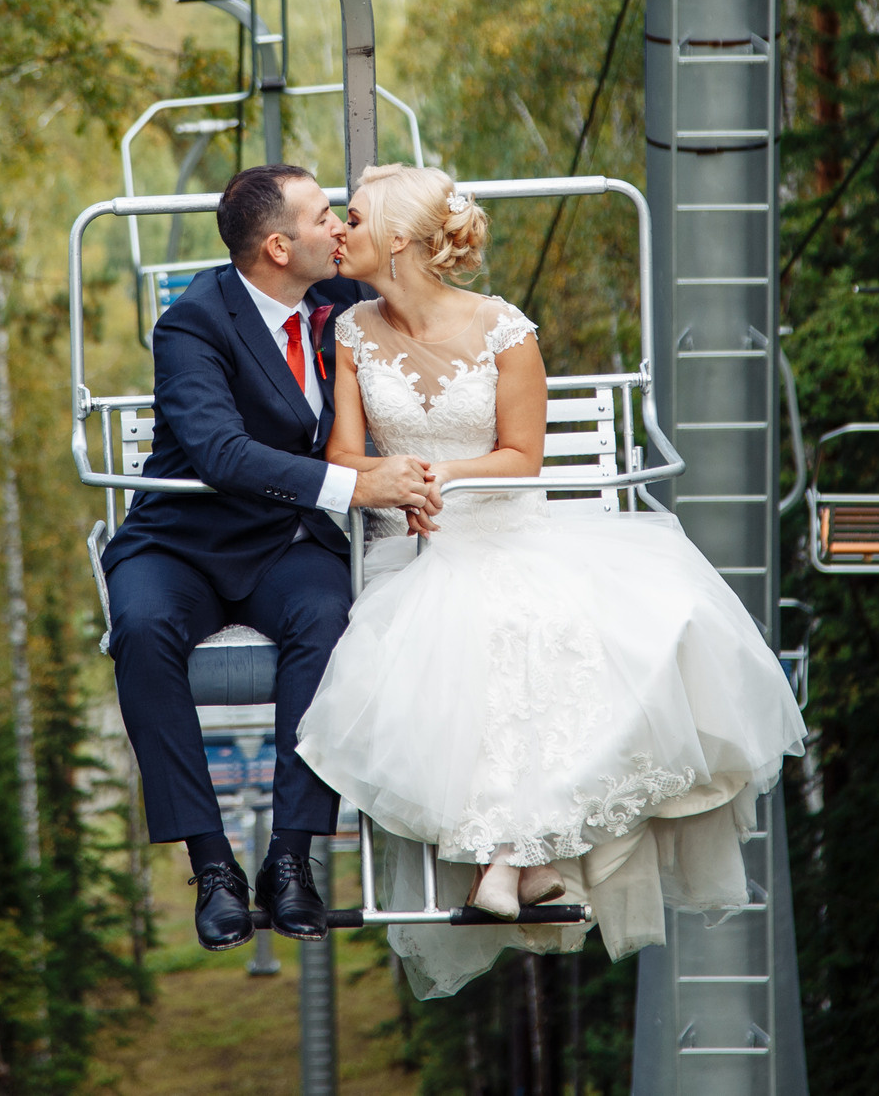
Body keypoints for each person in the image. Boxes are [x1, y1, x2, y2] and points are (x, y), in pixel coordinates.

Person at [294, 162, 807, 997]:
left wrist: (441, 477)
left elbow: (519, 458)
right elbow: (345, 456)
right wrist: (400, 485)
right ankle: (525, 862)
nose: (339, 231)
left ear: (397, 237)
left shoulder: (505, 331)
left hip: (503, 525)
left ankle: (510, 856)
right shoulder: (352, 330)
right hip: (412, 543)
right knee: (468, 629)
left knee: (559, 624)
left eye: (351, 217)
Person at [101, 162, 442, 951]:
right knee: (143, 629)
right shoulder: (193, 322)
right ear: (280, 246)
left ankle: (291, 857)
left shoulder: (340, 299)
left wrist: (392, 184)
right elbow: (219, 451)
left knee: (326, 620)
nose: (341, 229)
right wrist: (352, 488)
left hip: (285, 544)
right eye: (328, 216)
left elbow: (415, 272)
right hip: (183, 539)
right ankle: (213, 862)